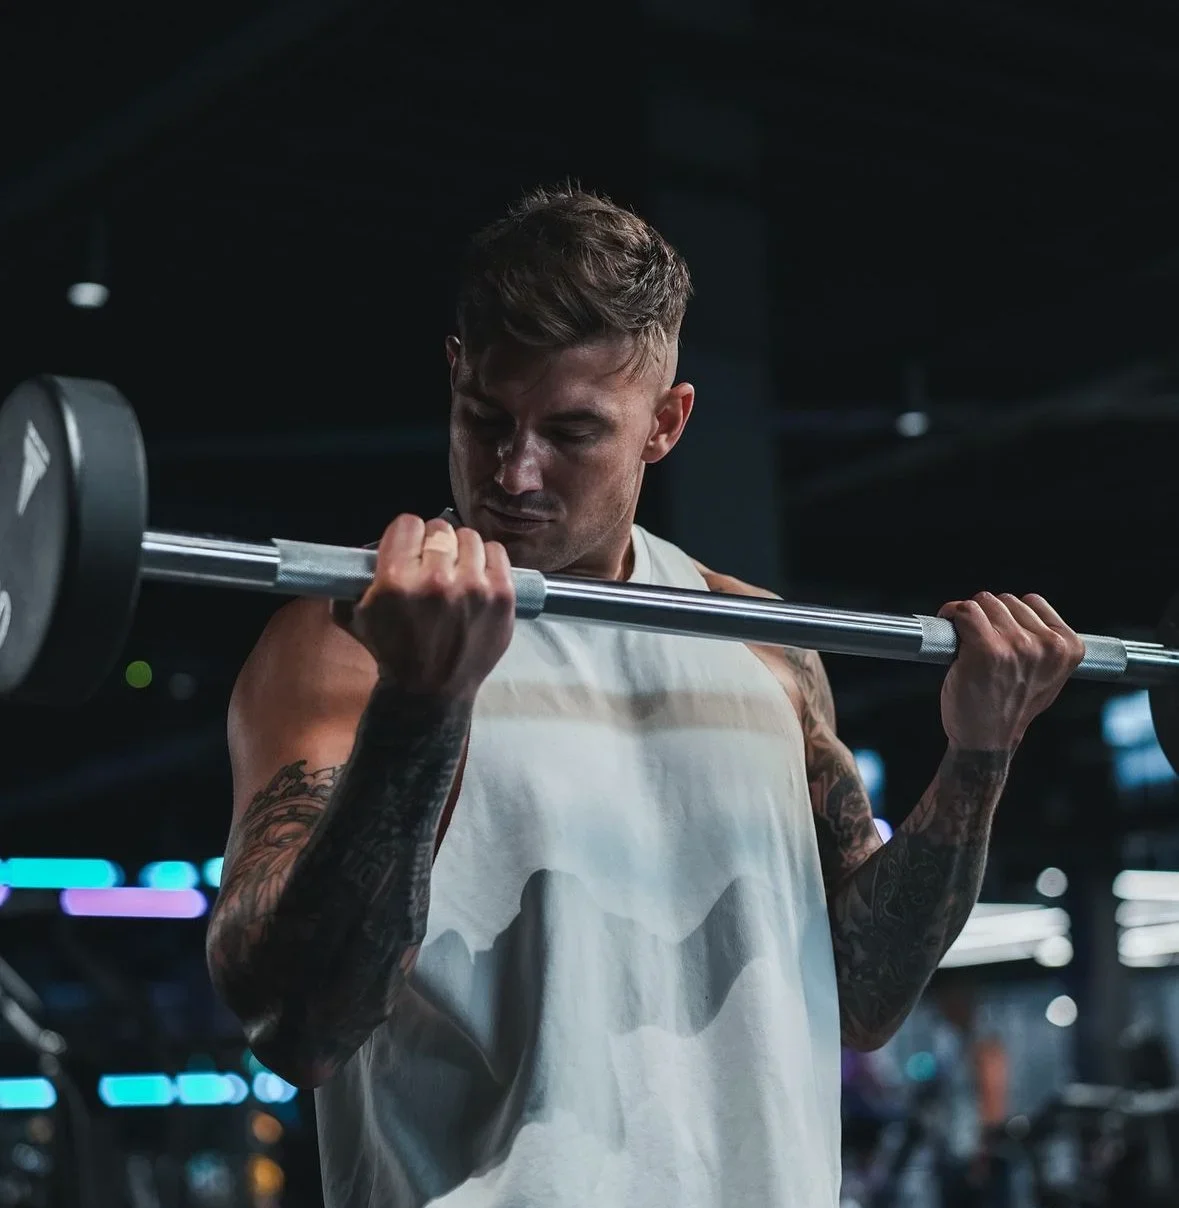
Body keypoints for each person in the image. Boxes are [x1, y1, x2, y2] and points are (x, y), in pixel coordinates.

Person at [204, 185, 1087, 1208]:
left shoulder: (762, 641)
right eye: (486, 416)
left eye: (573, 431)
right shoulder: (344, 637)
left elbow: (865, 995)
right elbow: (297, 1023)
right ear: (453, 373)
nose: (515, 471)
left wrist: (980, 753)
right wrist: (422, 699)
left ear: (666, 423)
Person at [926, 974, 1012, 1208]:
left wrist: (984, 1153)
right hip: (955, 1151)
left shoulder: (985, 1043)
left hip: (977, 1155)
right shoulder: (950, 1042)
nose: (940, 1009)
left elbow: (993, 1098)